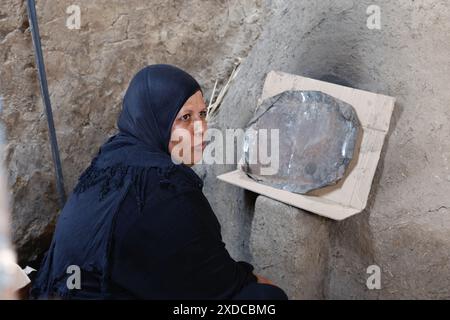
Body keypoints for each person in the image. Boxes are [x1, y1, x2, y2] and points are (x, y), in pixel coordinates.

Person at [30, 64, 287, 300]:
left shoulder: (113, 156)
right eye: (186, 118)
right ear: (155, 120)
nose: (202, 129)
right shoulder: (167, 186)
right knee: (266, 299)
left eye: (203, 114)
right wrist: (256, 282)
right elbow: (216, 285)